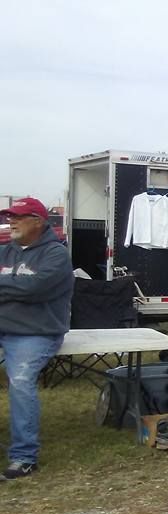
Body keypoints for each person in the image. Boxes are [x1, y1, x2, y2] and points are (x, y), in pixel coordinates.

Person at [0, 197, 74, 480]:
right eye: (10, 217)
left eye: (18, 217)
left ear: (38, 221)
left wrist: (12, 288)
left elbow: (36, 289)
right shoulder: (5, 252)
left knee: (19, 381)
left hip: (36, 332)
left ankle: (23, 457)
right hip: (3, 327)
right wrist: (16, 287)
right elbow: (26, 288)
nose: (11, 221)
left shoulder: (55, 255)